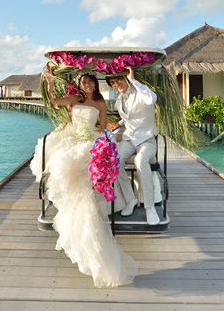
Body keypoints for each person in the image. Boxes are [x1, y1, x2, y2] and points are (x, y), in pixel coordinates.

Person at [30, 68, 137, 288]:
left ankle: (85, 206)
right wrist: (50, 84)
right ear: (80, 85)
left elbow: (102, 126)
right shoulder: (74, 98)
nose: (87, 85)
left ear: (95, 84)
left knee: (86, 165)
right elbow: (53, 100)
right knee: (60, 159)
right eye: (84, 82)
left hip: (90, 138)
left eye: (90, 82)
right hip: (71, 135)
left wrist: (108, 137)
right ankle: (67, 198)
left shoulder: (100, 103)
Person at [106, 66, 160, 225]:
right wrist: (119, 123)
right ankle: (130, 199)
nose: (116, 84)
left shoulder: (141, 92)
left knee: (140, 161)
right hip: (129, 139)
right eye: (113, 83)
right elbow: (129, 118)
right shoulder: (119, 99)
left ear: (126, 77)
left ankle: (150, 208)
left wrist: (133, 80)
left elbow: (152, 99)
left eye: (118, 80)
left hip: (147, 140)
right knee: (115, 161)